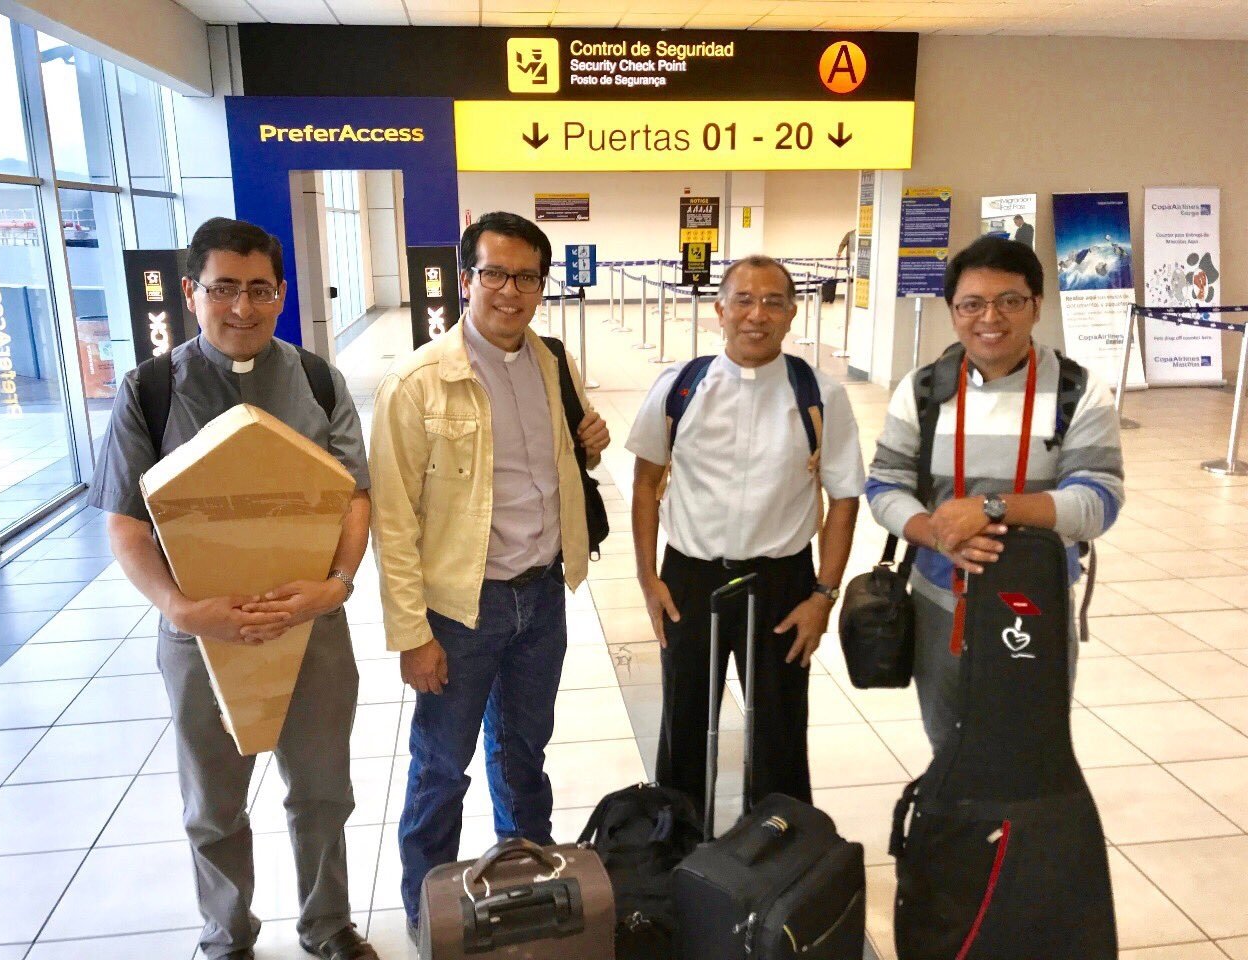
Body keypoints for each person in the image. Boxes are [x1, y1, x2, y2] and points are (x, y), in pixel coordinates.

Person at [90, 218, 379, 960]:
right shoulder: (150, 390)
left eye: (259, 290)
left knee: (323, 791)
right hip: (198, 632)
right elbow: (124, 523)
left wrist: (337, 585)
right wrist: (183, 609)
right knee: (213, 803)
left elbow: (354, 495)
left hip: (310, 623)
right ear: (191, 292)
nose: (242, 308)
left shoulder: (317, 381)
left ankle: (327, 924)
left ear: (281, 294)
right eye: (223, 289)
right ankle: (227, 934)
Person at [368, 211, 610, 939]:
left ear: (542, 285)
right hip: (460, 609)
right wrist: (412, 634)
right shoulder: (417, 383)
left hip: (541, 594)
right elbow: (392, 520)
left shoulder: (553, 361)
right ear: (466, 280)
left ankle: (529, 888)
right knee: (442, 766)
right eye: (495, 274)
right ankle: (427, 913)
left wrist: (591, 444)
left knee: (524, 754)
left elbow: (565, 461)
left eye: (527, 277)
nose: (511, 291)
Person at [865, 236, 1124, 753]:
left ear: (1036, 305)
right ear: (953, 312)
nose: (991, 317)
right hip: (941, 594)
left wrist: (990, 509)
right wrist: (938, 534)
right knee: (948, 742)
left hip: (1037, 597)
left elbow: (1098, 501)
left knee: (1031, 748)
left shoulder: (1077, 390)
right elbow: (885, 485)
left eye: (1010, 300)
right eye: (972, 304)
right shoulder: (922, 390)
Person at [626, 255, 864, 817]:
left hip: (782, 584)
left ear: (792, 313)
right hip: (690, 578)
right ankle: (677, 844)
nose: (757, 315)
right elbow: (645, 484)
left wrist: (823, 596)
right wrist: (648, 578)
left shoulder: (819, 394)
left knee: (780, 729)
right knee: (684, 723)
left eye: (773, 302)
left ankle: (780, 844)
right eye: (744, 300)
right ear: (719, 310)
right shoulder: (680, 387)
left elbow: (845, 498)